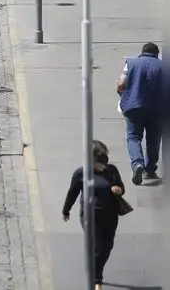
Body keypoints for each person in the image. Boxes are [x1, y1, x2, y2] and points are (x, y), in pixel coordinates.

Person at [61, 140, 126, 290]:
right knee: (100, 247)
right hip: (90, 216)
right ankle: (97, 279)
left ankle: (95, 268)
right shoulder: (81, 173)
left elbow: (121, 187)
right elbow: (73, 192)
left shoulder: (112, 171)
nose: (104, 163)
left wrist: (119, 189)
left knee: (107, 246)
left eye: (105, 157)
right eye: (100, 159)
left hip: (110, 215)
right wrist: (66, 210)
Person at [117, 42, 165, 184]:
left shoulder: (131, 63)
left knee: (133, 137)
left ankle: (137, 163)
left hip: (134, 106)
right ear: (156, 54)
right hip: (157, 109)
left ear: (142, 52)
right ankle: (150, 170)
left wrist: (123, 95)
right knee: (154, 139)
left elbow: (120, 84)